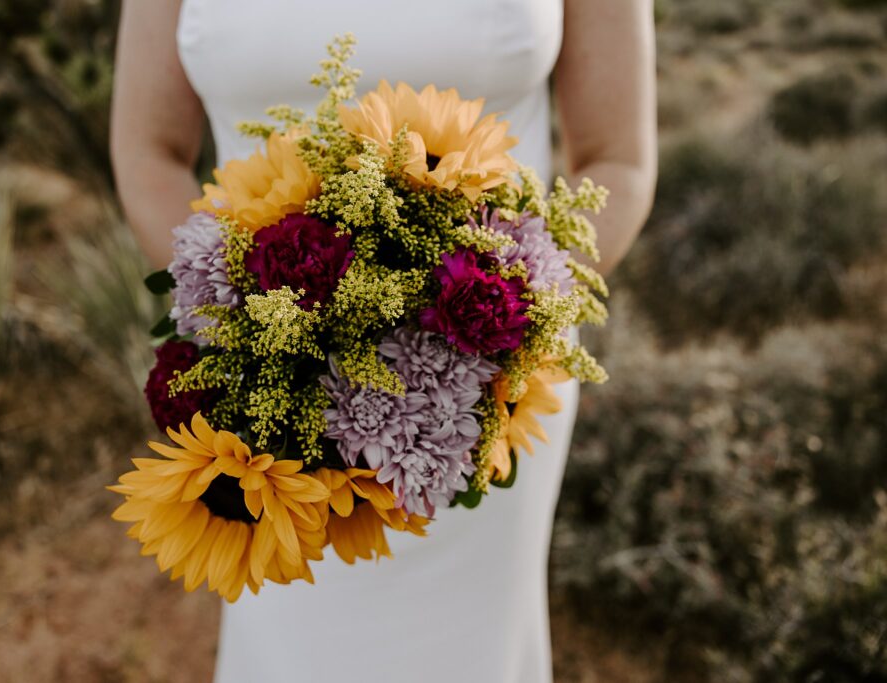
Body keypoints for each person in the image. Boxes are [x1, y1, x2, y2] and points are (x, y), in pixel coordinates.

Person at [110, 1, 656, 681]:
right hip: (268, 403)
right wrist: (245, 325)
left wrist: (502, 315)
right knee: (291, 644)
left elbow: (618, 159)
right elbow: (147, 152)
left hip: (486, 390)